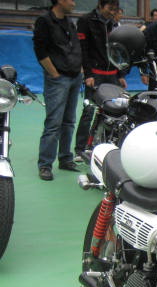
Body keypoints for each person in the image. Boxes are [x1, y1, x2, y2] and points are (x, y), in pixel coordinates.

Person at [33, 0, 83, 180]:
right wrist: (54, 73)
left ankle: (65, 159)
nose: (74, 3)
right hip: (58, 79)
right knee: (54, 122)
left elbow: (75, 47)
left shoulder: (69, 22)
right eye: (71, 0)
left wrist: (80, 70)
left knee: (69, 121)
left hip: (74, 77)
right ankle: (45, 165)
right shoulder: (45, 21)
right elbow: (40, 51)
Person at [74, 0, 125, 158]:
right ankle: (80, 149)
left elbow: (118, 51)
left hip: (112, 75)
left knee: (115, 112)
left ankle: (106, 146)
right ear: (100, 6)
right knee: (89, 110)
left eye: (115, 9)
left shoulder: (114, 24)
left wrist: (120, 75)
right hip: (95, 74)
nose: (112, 12)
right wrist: (88, 74)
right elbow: (83, 49)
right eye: (110, 8)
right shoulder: (85, 21)